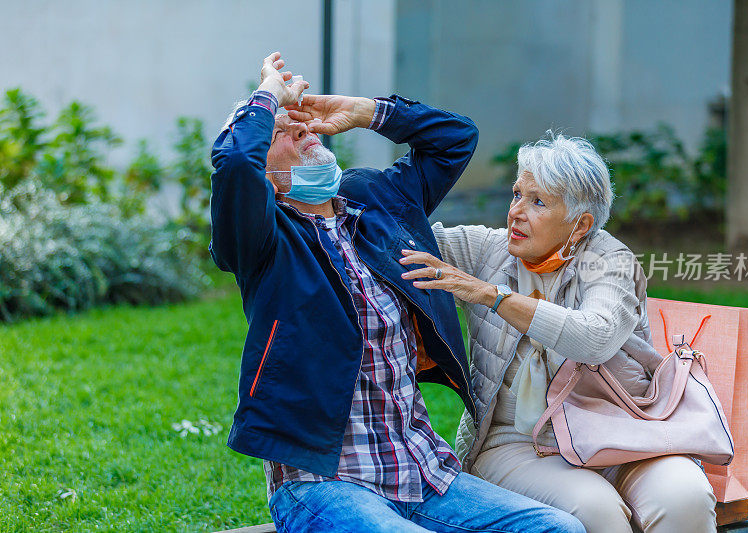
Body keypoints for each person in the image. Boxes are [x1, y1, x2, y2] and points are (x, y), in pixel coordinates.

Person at [209, 52, 585, 533]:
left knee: (560, 530)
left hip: (422, 472)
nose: (302, 130)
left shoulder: (377, 203)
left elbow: (454, 139)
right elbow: (235, 162)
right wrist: (266, 97)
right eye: (280, 132)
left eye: (299, 122)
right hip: (324, 482)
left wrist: (366, 112)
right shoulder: (264, 240)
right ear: (265, 178)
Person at [400, 133, 717, 532]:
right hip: (515, 442)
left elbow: (595, 338)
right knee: (595, 510)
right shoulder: (485, 251)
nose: (516, 211)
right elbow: (393, 235)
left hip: (621, 430)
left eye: (538, 202)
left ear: (580, 224)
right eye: (517, 194)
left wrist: (493, 297)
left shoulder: (609, 261)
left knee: (684, 496)